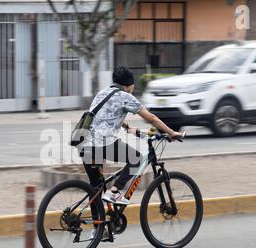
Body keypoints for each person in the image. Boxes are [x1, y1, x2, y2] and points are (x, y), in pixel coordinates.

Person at [78, 66, 183, 205]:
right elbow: (151, 118)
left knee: (96, 187)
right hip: (102, 142)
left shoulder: (102, 93)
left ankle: (98, 225)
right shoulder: (125, 96)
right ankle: (115, 192)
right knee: (136, 159)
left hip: (84, 143)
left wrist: (127, 127)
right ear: (129, 85)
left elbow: (103, 116)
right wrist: (172, 133)